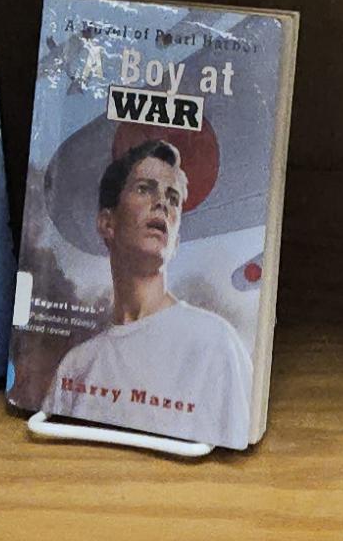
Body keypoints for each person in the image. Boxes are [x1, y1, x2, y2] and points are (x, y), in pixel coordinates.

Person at [51, 139, 254, 448]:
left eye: (173, 198)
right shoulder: (76, 367)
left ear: (176, 236)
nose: (162, 202)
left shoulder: (215, 343)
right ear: (107, 223)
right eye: (145, 189)